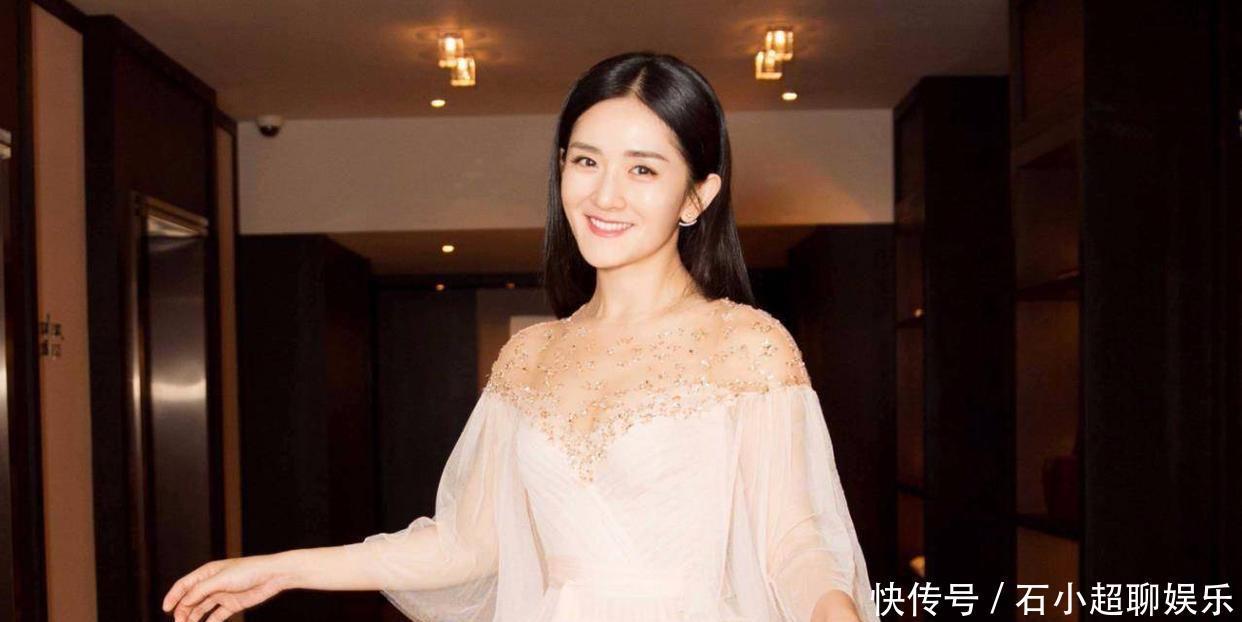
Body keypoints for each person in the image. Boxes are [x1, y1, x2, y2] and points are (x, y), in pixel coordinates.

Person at [161, 51, 879, 622]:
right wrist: (281, 568)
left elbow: (794, 542)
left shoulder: (747, 345)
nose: (604, 194)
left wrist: (835, 611)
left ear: (697, 195)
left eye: (642, 169)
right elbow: (464, 544)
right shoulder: (531, 357)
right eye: (585, 160)